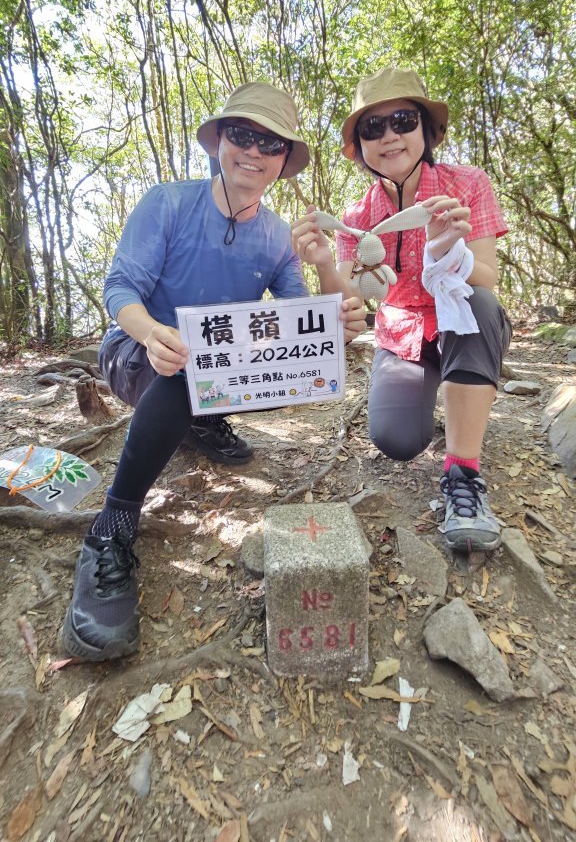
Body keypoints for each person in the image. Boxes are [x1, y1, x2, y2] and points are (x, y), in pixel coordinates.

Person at [62, 82, 365, 661]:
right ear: (219, 141)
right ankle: (112, 528)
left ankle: (199, 422)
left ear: (283, 160)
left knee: (228, 367)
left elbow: (301, 317)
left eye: (270, 143)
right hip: (138, 355)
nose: (253, 151)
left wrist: (332, 298)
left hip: (217, 368)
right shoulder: (168, 203)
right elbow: (120, 289)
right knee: (184, 371)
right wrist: (152, 334)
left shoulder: (278, 235)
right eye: (242, 135)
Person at [292, 67, 511, 553]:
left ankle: (464, 476)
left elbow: (488, 277)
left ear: (426, 131)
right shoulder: (355, 216)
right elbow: (350, 295)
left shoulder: (465, 185)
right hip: (400, 333)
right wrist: (326, 262)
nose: (390, 136)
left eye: (403, 120)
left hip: (459, 323)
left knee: (477, 301)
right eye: (373, 128)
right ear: (360, 147)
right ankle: (442, 397)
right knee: (397, 440)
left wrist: (448, 250)